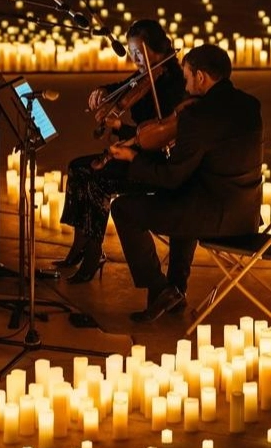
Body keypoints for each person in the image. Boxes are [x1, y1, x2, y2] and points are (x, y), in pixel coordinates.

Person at [110, 43, 263, 322]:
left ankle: (162, 289)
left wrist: (133, 158)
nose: (186, 83)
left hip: (216, 219)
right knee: (184, 201)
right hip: (246, 216)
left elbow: (170, 177)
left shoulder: (198, 115)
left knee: (123, 208)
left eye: (188, 76)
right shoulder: (250, 106)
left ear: (201, 77)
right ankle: (177, 289)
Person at [54, 19, 186, 284]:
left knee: (97, 181)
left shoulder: (172, 84)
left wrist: (119, 128)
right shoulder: (146, 74)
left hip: (154, 163)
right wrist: (103, 90)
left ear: (156, 49)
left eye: (139, 52)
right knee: (78, 168)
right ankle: (80, 245)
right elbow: (124, 86)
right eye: (132, 51)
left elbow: (155, 137)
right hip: (137, 151)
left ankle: (93, 255)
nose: (134, 57)